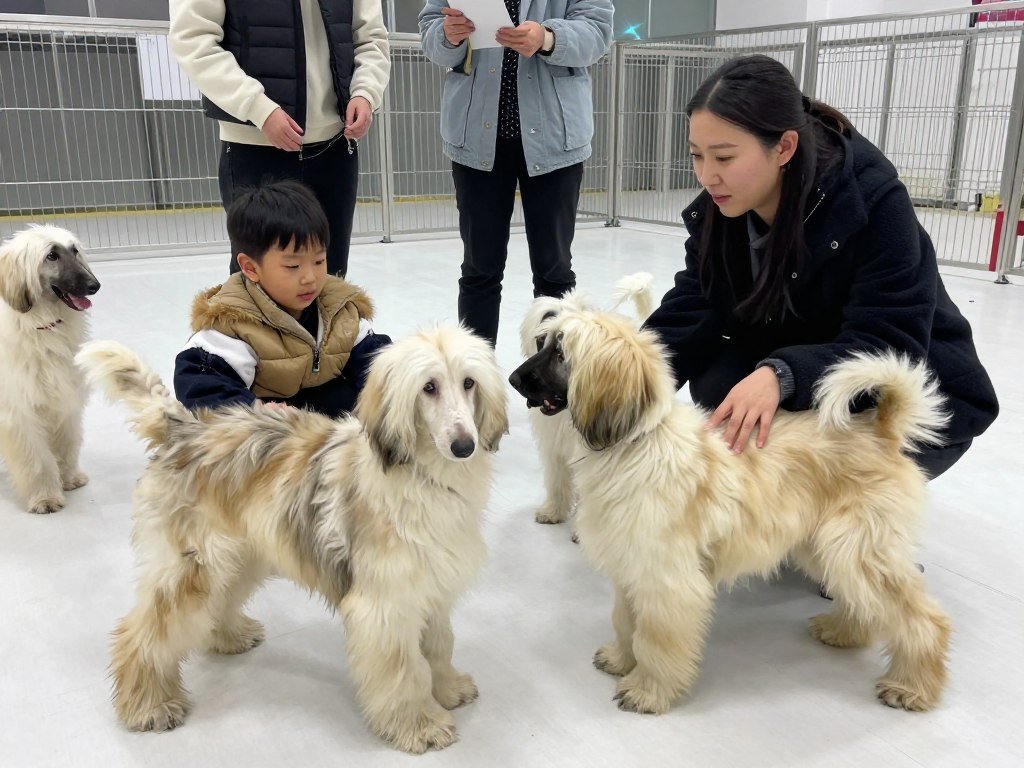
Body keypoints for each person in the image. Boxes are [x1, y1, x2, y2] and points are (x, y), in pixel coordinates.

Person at [643, 54, 998, 479]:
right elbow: (694, 305)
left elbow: (890, 344)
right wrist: (628, 371)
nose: (706, 176)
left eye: (724, 157)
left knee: (799, 424)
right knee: (718, 378)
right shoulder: (721, 211)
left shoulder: (874, 203)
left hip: (916, 397)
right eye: (696, 155)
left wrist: (782, 375)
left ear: (784, 147)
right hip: (810, 357)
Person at [418, 0, 614, 346]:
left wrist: (548, 37)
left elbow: (597, 32)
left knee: (554, 271)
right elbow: (431, 32)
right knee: (479, 269)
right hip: (477, 135)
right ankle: (475, 377)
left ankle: (552, 376)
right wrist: (447, 36)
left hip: (555, 137)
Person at [168, 0, 391, 277]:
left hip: (335, 143)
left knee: (329, 276)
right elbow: (193, 38)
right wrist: (257, 107)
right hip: (255, 145)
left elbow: (371, 37)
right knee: (258, 280)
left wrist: (366, 92)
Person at [174, 180, 391, 417]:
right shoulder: (233, 324)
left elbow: (377, 363)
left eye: (319, 261)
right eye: (293, 266)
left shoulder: (340, 308)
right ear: (250, 268)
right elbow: (200, 383)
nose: (310, 278)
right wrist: (256, 410)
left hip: (335, 427)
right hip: (276, 429)